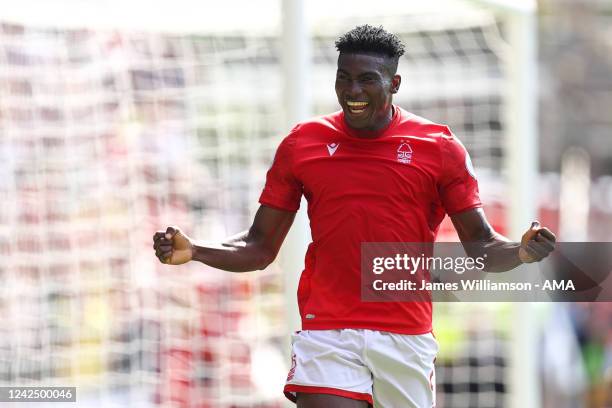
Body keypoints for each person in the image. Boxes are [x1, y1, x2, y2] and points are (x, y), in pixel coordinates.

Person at [153, 25, 556, 408]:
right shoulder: (302, 144)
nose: (353, 91)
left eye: (367, 79)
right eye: (343, 78)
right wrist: (197, 251)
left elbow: (481, 247)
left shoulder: (439, 148)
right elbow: (259, 247)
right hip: (328, 330)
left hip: (405, 335)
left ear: (394, 84)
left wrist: (521, 252)